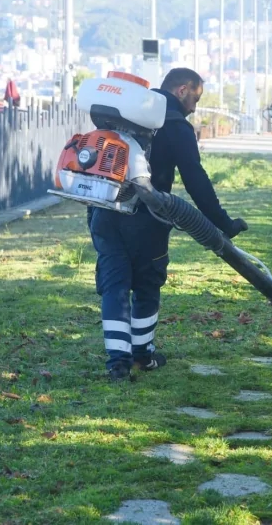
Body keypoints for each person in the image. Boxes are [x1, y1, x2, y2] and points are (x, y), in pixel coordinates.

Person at [88, 67, 249, 382]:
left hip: (104, 211)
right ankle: (142, 356)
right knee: (147, 284)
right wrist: (223, 224)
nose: (195, 108)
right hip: (147, 219)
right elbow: (196, 181)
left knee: (115, 284)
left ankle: (117, 364)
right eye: (196, 99)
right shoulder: (175, 125)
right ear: (182, 90)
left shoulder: (123, 115)